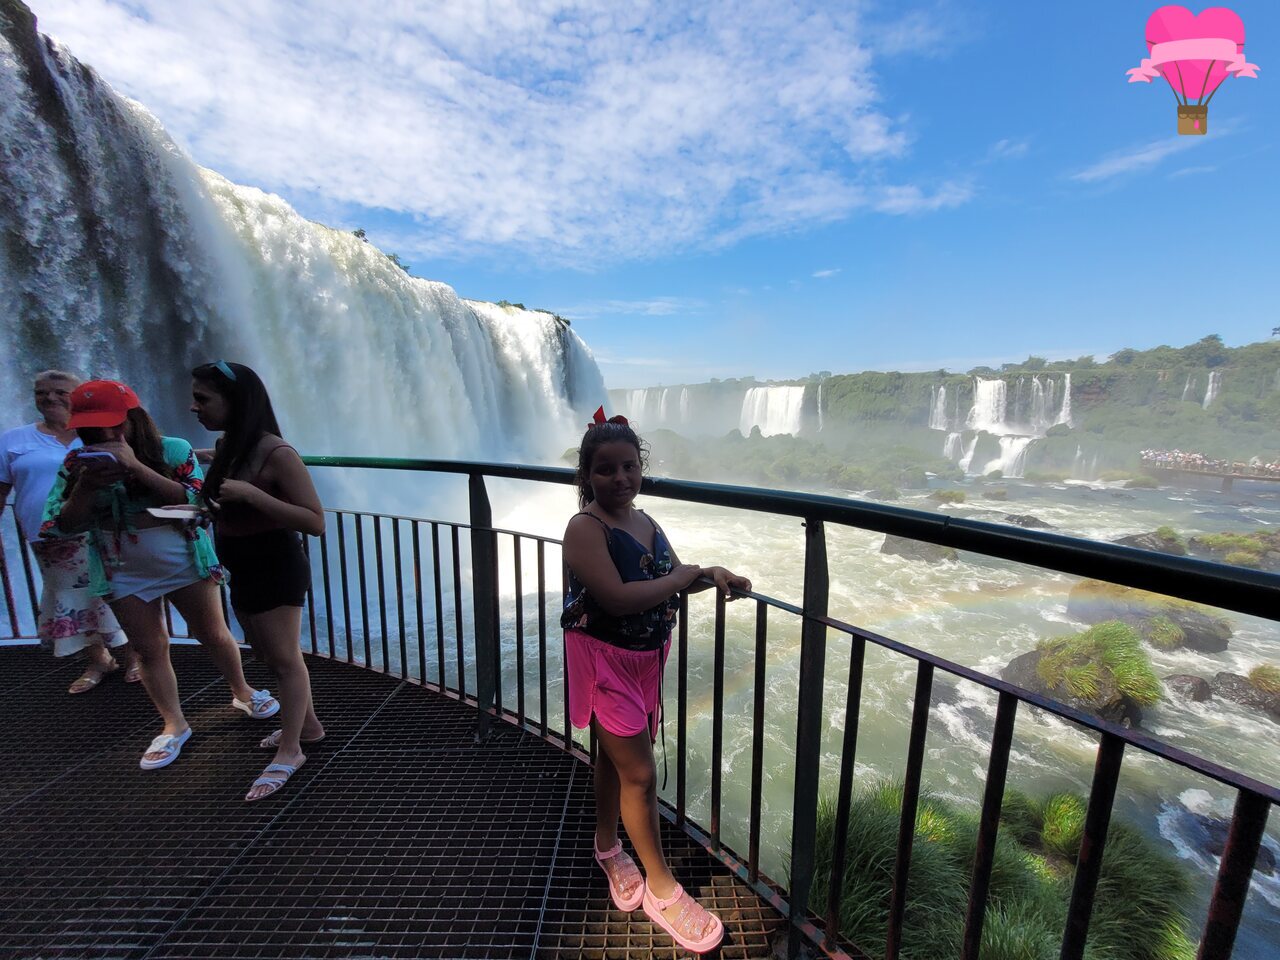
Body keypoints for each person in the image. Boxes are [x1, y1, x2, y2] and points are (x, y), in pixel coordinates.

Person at [561, 410, 751, 955]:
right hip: (605, 662)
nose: (620, 478)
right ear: (586, 477)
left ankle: (607, 847)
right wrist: (680, 577)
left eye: (629, 466)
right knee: (640, 775)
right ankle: (662, 891)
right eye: (605, 470)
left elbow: (664, 579)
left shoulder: (644, 520)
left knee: (612, 758)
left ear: (641, 467)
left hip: (645, 658)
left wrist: (710, 574)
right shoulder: (585, 528)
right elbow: (620, 596)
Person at [41, 380, 279, 770]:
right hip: (121, 569)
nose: (104, 434)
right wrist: (86, 486)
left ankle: (243, 691)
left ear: (134, 418)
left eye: (113, 424)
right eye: (92, 427)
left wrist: (133, 466)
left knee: (214, 634)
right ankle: (174, 724)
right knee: (148, 648)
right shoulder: (76, 464)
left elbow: (198, 500)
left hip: (184, 561)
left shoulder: (173, 450)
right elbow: (60, 525)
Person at [190, 360, 326, 802]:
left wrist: (253, 495)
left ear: (237, 401)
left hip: (275, 562)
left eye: (203, 399)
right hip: (241, 563)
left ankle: (291, 751)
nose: (195, 407)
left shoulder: (277, 454)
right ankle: (307, 726)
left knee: (286, 659)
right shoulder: (227, 445)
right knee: (267, 654)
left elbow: (314, 521)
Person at [0, 370, 135, 693]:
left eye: (61, 392)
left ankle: (136, 657)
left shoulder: (101, 433)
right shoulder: (14, 439)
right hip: (47, 537)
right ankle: (99, 659)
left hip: (100, 530)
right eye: (41, 392)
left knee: (115, 593)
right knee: (70, 597)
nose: (49, 398)